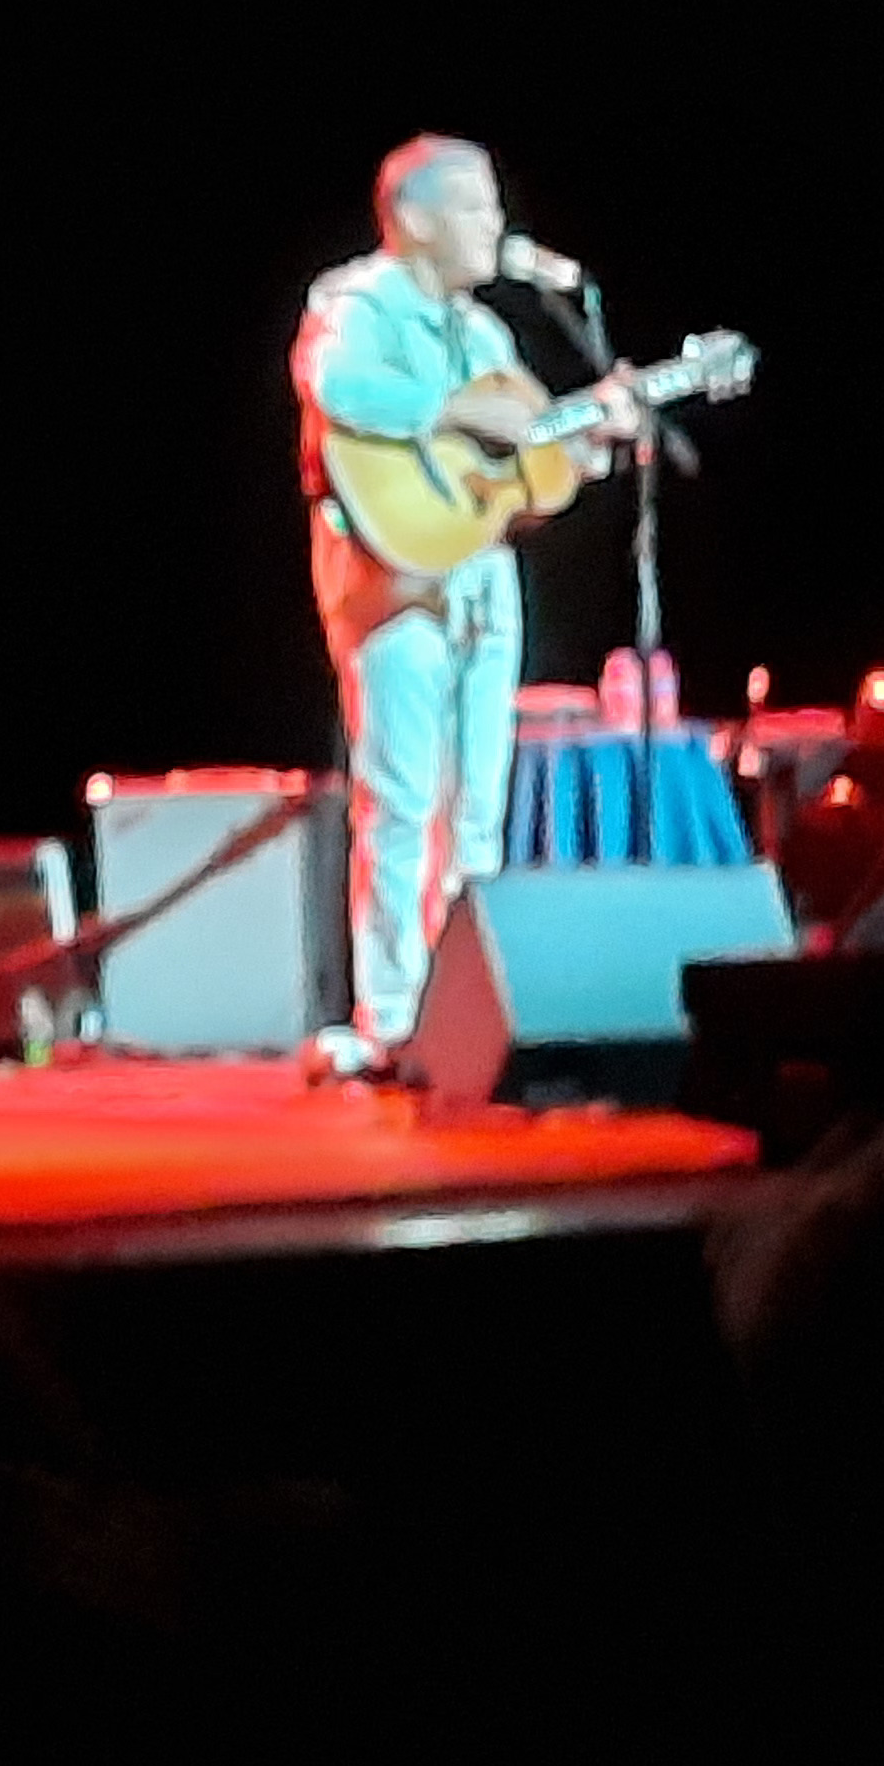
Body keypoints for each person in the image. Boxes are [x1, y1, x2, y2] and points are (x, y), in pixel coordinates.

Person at [289, 137, 635, 1081]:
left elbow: (530, 467)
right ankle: (391, 1021)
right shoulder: (354, 303)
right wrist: (456, 412)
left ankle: (462, 1016)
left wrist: (591, 439)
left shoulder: (485, 335)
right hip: (393, 580)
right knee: (403, 798)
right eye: (476, 207)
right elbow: (339, 388)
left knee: (477, 809)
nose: (497, 225)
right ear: (415, 219)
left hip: (481, 577)